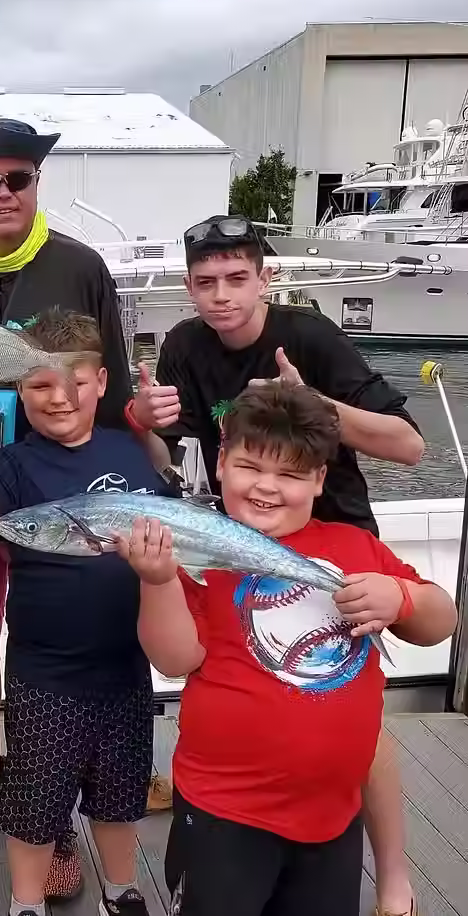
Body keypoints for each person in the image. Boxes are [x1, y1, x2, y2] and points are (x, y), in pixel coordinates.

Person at [130, 213, 428, 916]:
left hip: (332, 528)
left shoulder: (310, 337)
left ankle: (393, 877)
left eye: (238, 278)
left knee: (353, 703)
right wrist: (142, 421)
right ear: (189, 288)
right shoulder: (182, 346)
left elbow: (411, 447)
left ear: (267, 279)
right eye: (206, 282)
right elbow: (180, 467)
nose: (222, 295)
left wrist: (318, 406)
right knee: (251, 671)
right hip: (238, 530)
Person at [0, 116, 171, 897]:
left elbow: (115, 383)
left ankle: (51, 809)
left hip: (64, 486)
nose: (3, 192)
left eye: (18, 178)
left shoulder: (82, 264)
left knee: (54, 632)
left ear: (36, 184)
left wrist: (148, 447)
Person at [119, 380, 457, 916]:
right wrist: (157, 580)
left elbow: (441, 621)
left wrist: (402, 596)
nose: (267, 487)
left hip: (333, 820)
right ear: (222, 462)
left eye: (292, 474)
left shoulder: (354, 546)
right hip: (221, 815)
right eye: (250, 466)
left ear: (320, 479)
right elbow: (175, 659)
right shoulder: (196, 551)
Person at [0, 309, 168, 916]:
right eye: (40, 384)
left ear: (100, 382)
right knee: (35, 806)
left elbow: (176, 509)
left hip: (128, 670)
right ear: (18, 389)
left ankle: (122, 890)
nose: (60, 397)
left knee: (121, 797)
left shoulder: (131, 449)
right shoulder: (16, 464)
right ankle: (26, 903)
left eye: (76, 382)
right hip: (46, 678)